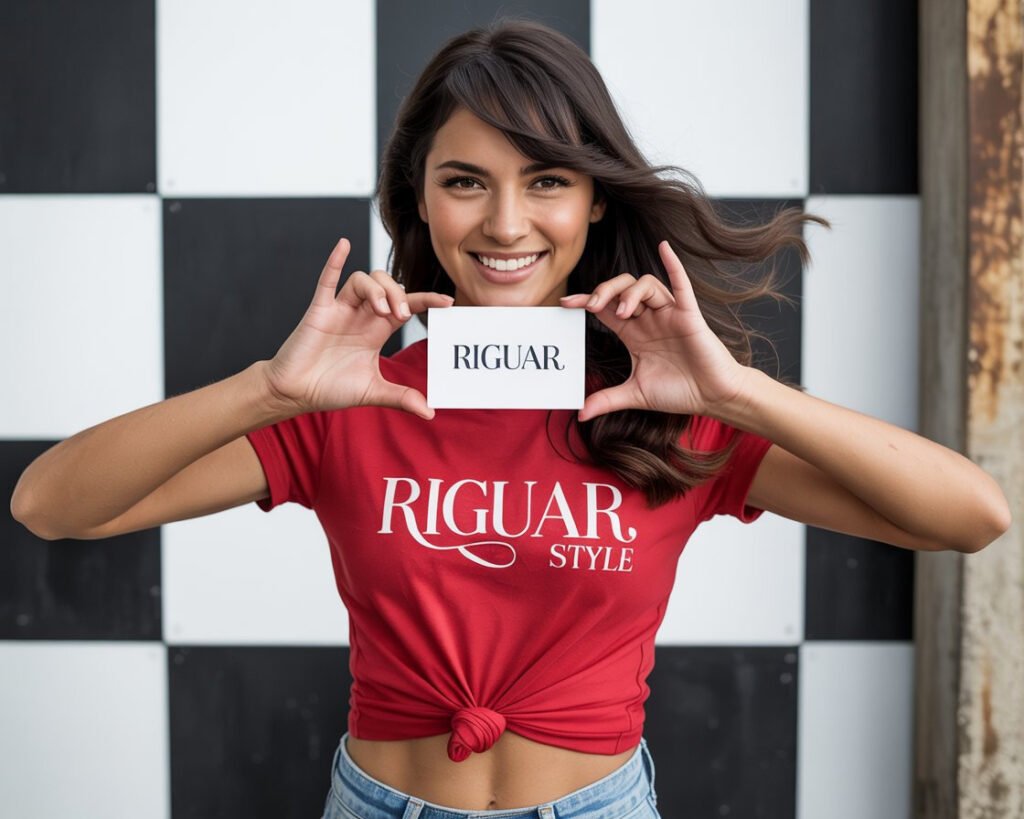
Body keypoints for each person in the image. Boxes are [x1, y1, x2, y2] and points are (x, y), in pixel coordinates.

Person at [10, 17, 1011, 819]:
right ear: (419, 200)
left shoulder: (664, 412)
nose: (503, 224)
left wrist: (734, 393)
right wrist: (269, 389)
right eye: (464, 183)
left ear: (590, 204)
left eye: (545, 182)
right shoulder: (351, 398)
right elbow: (53, 507)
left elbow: (972, 516)